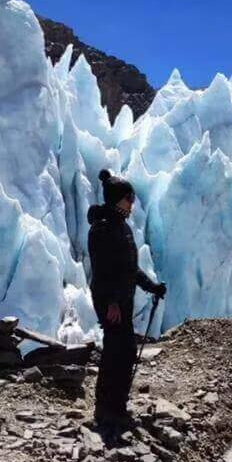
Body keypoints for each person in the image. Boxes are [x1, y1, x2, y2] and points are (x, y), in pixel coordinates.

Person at [87, 169, 166, 433]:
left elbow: (129, 268)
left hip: (122, 299)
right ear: (116, 199)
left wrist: (151, 286)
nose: (132, 203)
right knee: (115, 351)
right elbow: (103, 268)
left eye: (132, 198)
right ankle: (108, 408)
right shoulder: (103, 228)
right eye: (129, 198)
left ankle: (115, 405)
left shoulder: (121, 227)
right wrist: (111, 302)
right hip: (111, 300)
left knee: (123, 350)